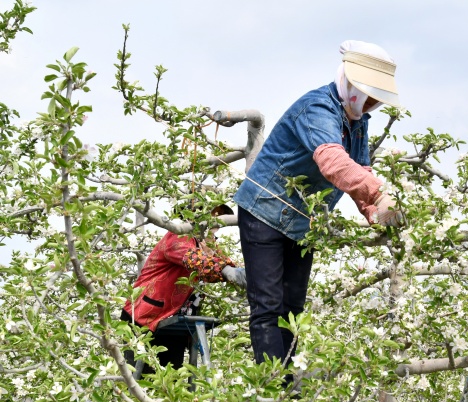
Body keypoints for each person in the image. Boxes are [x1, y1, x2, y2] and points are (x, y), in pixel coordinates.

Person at [233, 40, 402, 378]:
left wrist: (374, 212)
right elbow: (333, 162)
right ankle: (273, 389)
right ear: (350, 84)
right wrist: (379, 192)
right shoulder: (318, 108)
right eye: (367, 95)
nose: (370, 104)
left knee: (292, 308)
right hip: (264, 211)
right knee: (267, 306)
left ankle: (290, 384)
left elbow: (360, 167)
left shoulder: (358, 120)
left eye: (375, 100)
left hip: (301, 222)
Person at [121, 204, 238, 374]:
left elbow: (225, 265)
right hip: (143, 317)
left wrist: (229, 267)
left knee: (170, 382)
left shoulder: (204, 243)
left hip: (173, 321)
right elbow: (197, 262)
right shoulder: (179, 237)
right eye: (214, 216)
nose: (217, 224)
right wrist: (223, 267)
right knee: (141, 379)